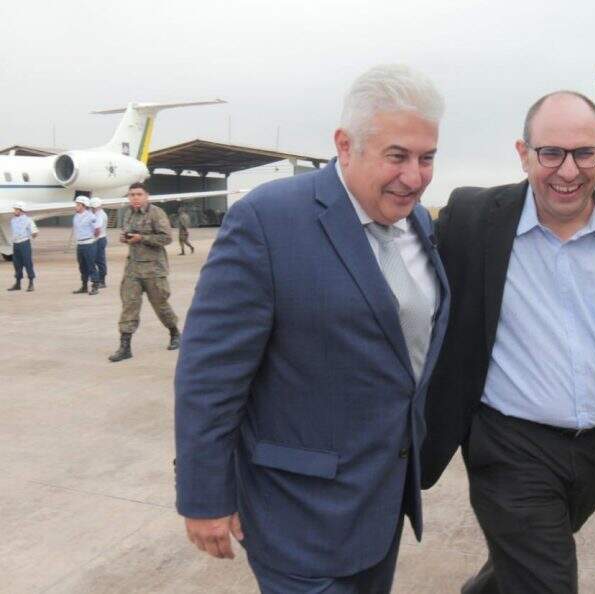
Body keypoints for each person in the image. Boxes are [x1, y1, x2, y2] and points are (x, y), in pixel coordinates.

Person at [174, 64, 449, 594]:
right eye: (397, 156)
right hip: (297, 514)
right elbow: (209, 375)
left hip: (381, 502)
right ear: (345, 146)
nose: (414, 177)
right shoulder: (267, 221)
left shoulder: (419, 223)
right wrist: (205, 496)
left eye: (427, 158)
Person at [421, 91, 595, 594]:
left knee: (532, 558)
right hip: (509, 445)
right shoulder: (473, 219)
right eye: (551, 153)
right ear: (523, 153)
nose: (568, 170)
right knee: (546, 578)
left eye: (584, 153)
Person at [108, 182, 180, 362]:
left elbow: (167, 238)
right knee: (129, 306)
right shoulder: (128, 213)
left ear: (146, 195)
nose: (135, 198)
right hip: (133, 268)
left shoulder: (156, 213)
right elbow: (126, 233)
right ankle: (125, 347)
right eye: (132, 194)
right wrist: (126, 238)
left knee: (160, 305)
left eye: (139, 194)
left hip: (154, 269)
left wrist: (143, 238)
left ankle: (175, 333)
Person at [7, 201, 38, 292]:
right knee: (17, 264)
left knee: (28, 263)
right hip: (15, 244)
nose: (14, 211)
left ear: (21, 210)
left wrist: (31, 235)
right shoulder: (13, 220)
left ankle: (31, 283)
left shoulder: (28, 220)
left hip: (24, 243)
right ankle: (18, 283)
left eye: (16, 209)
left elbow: (35, 232)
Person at [72, 195, 100, 295]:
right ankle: (84, 286)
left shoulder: (91, 216)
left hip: (88, 244)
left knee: (91, 265)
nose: (76, 206)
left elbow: (97, 230)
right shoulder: (76, 216)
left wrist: (92, 239)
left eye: (78, 204)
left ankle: (95, 286)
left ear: (83, 206)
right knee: (82, 266)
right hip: (80, 244)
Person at [90, 197, 109, 288]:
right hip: (97, 239)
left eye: (95, 207)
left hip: (99, 239)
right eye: (92, 207)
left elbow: (97, 229)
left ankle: (102, 280)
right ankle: (97, 279)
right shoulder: (95, 214)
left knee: (100, 260)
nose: (94, 208)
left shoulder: (100, 215)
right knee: (95, 259)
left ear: (100, 206)